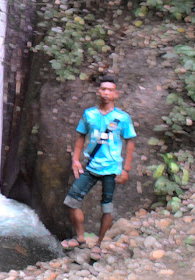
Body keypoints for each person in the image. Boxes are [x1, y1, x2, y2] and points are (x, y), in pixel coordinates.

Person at [61, 76, 136, 260]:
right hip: (91, 166)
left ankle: (99, 244)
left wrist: (125, 169)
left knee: (106, 208)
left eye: (110, 90)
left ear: (115, 94)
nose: (106, 93)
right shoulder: (89, 114)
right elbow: (80, 136)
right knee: (72, 200)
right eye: (103, 89)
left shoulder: (122, 118)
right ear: (98, 91)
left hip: (111, 169)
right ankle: (80, 238)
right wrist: (75, 160)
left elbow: (130, 142)